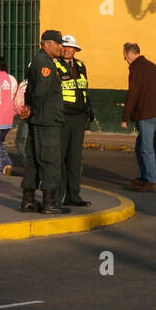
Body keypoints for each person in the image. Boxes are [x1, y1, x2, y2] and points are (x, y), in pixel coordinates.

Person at [20, 29, 66, 214]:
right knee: (49, 159)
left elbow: (30, 90)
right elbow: (41, 91)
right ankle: (49, 202)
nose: (61, 47)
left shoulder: (38, 61)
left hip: (39, 118)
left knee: (33, 159)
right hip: (47, 119)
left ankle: (28, 200)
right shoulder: (45, 62)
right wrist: (33, 108)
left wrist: (29, 108)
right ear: (46, 44)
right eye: (57, 44)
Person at [120, 42, 156, 192]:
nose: (124, 58)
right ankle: (142, 177)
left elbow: (133, 94)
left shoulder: (136, 69)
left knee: (146, 149)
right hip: (155, 113)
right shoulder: (152, 66)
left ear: (131, 53)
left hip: (145, 114)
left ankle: (151, 181)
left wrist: (125, 117)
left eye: (125, 55)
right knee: (140, 147)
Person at [56, 35, 93, 207]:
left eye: (70, 47)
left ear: (75, 50)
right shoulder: (54, 65)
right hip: (62, 116)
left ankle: (73, 196)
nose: (66, 49)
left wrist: (88, 112)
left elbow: (84, 90)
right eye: (63, 46)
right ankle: (57, 196)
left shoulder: (80, 66)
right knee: (60, 156)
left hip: (78, 117)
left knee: (75, 158)